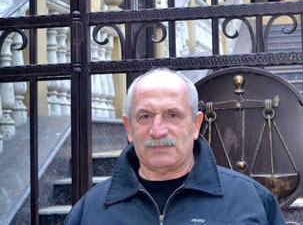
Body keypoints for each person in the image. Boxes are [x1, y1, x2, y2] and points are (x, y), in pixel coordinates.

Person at [65, 68, 286, 224]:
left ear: (196, 124)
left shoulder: (251, 200)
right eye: (145, 116)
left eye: (173, 115)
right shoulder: (90, 212)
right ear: (128, 128)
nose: (158, 130)